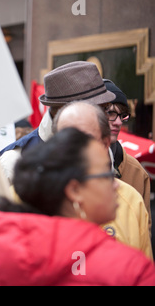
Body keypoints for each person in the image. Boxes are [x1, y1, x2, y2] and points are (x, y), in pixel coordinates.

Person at [0, 128, 155, 286]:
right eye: (105, 174)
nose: (116, 184)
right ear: (74, 190)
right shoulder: (130, 269)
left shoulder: (0, 262)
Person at [0, 61, 116, 265]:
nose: (106, 116)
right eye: (99, 107)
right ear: (65, 110)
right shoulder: (14, 160)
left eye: (105, 107)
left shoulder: (103, 154)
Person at [53, 101, 152, 259]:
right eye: (67, 139)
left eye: (86, 139)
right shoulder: (26, 197)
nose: (76, 148)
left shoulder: (131, 200)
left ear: (105, 143)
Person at [103, 79, 151, 228]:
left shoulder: (137, 172)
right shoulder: (71, 164)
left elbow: (144, 231)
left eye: (122, 115)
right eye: (111, 113)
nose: (118, 122)